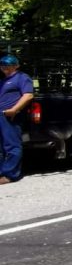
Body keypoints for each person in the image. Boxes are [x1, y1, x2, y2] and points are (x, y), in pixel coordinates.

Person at [0, 55, 35, 184]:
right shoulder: (3, 81)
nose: (5, 67)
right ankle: (1, 172)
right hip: (0, 114)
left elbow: (28, 95)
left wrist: (14, 109)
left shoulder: (22, 77)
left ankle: (10, 175)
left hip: (10, 116)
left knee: (12, 145)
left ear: (16, 66)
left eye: (8, 65)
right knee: (1, 146)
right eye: (2, 65)